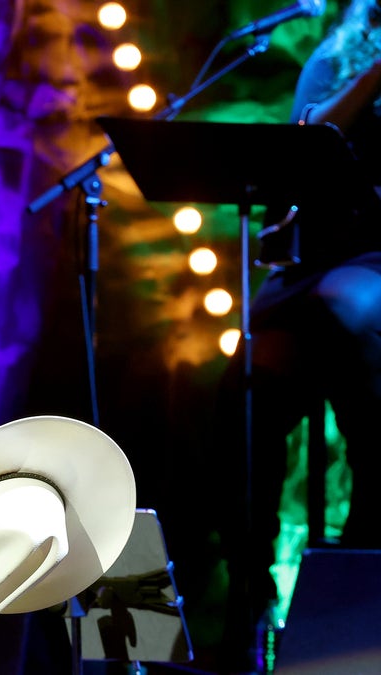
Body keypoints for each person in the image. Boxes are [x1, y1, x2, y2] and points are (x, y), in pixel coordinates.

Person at [216, 0, 381, 668]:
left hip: (371, 261)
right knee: (238, 398)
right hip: (316, 262)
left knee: (348, 319)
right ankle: (247, 597)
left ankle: (351, 581)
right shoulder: (339, 53)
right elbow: (307, 145)